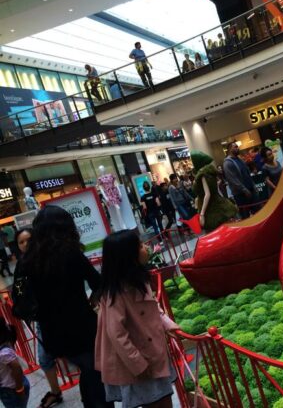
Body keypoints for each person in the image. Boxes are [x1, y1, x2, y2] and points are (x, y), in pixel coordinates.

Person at [21, 205, 112, 407]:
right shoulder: (70, 253)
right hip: (81, 326)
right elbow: (97, 281)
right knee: (96, 375)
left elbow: (20, 295)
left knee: (88, 371)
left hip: (52, 333)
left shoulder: (28, 260)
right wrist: (93, 299)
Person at [95, 230, 179, 408]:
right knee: (158, 402)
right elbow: (116, 334)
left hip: (151, 353)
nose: (146, 247)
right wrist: (138, 364)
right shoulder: (115, 293)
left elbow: (152, 306)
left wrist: (168, 325)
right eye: (140, 246)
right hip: (140, 362)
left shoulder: (138, 278)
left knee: (163, 400)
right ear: (128, 256)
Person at [13, 228, 62, 408]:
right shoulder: (21, 266)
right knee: (45, 358)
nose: (26, 244)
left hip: (62, 314)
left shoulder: (50, 258)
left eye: (29, 239)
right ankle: (55, 391)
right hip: (42, 319)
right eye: (21, 242)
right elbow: (18, 291)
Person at [191, 152, 237, 231]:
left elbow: (207, 194)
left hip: (211, 209)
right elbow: (215, 189)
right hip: (218, 203)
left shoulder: (203, 174)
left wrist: (202, 214)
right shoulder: (210, 172)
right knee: (226, 229)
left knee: (216, 231)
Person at [223, 142, 258, 219]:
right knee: (245, 217)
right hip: (240, 194)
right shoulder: (227, 163)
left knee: (257, 212)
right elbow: (233, 179)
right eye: (235, 147)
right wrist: (244, 190)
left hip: (250, 190)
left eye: (237, 146)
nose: (237, 148)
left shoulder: (240, 159)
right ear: (229, 149)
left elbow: (246, 173)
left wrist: (253, 185)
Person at [0, 319, 28, 408]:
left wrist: (20, 389)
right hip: (13, 387)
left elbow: (16, 367)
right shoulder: (5, 346)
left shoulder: (3, 352)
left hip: (11, 390)